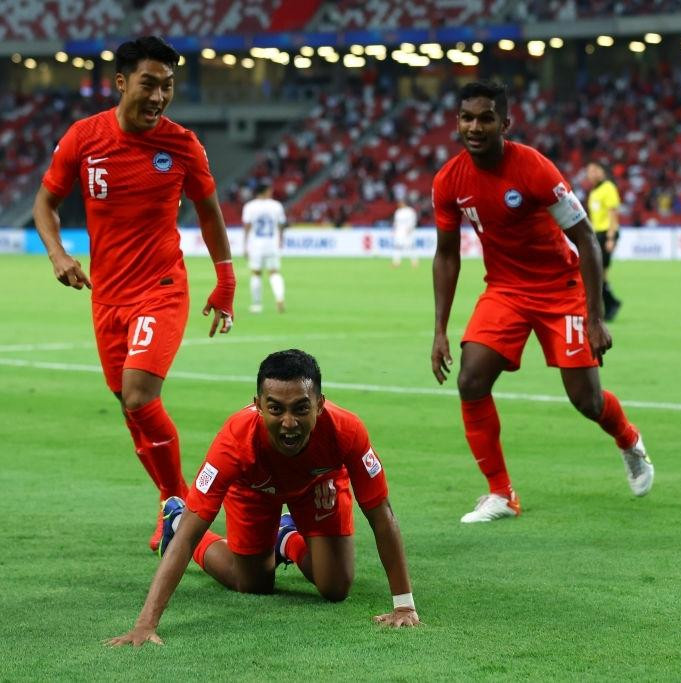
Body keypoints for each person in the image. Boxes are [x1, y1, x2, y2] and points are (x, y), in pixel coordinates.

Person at [32, 36, 236, 551]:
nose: (159, 96)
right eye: (149, 83)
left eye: (168, 87)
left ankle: (181, 505)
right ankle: (172, 505)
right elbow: (46, 203)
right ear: (122, 82)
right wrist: (57, 253)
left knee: (141, 395)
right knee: (128, 403)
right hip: (107, 298)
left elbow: (209, 211)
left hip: (162, 288)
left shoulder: (182, 144)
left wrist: (226, 278)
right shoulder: (84, 137)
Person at [430, 80, 654, 523]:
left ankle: (629, 440)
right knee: (471, 379)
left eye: (485, 118)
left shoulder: (533, 168)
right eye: (467, 118)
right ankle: (501, 494)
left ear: (504, 123)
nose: (475, 127)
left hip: (560, 289)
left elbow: (586, 239)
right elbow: (447, 255)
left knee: (586, 400)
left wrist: (594, 318)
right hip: (505, 290)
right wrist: (439, 330)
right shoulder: (449, 180)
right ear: (457, 122)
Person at [107, 349, 420, 646]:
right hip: (253, 489)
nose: (288, 422)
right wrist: (146, 623)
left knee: (335, 587)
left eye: (300, 408)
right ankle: (173, 518)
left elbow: (382, 515)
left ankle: (285, 537)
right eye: (275, 409)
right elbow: (191, 535)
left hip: (318, 483)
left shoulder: (347, 430)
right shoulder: (234, 441)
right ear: (258, 404)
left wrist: (404, 606)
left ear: (320, 404)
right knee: (253, 584)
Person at [241, 183, 287, 313]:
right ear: (266, 191)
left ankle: (256, 304)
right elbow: (281, 224)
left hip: (256, 245)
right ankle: (279, 298)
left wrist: (245, 245)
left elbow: (247, 226)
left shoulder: (250, 206)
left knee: (256, 273)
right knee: (274, 272)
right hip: (272, 244)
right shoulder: (276, 206)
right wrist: (281, 241)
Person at [585, 161, 622, 321]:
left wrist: (611, 237)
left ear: (602, 172)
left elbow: (613, 214)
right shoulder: (594, 192)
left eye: (594, 170)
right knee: (598, 274)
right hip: (597, 234)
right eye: (589, 171)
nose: (591, 173)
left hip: (606, 233)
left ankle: (610, 304)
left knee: (598, 273)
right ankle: (611, 303)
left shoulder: (608, 188)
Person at [391, 197, 419, 268]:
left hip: (407, 231)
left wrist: (410, 229)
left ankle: (414, 262)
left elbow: (413, 221)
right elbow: (396, 222)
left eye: (400, 203)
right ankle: (396, 262)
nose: (399, 204)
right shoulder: (398, 212)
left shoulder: (410, 211)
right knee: (397, 247)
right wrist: (394, 230)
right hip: (399, 232)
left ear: (404, 203)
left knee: (410, 247)